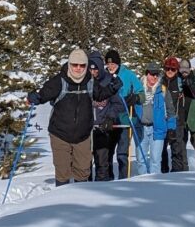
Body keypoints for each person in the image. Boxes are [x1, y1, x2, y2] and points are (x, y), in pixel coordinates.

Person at [28, 47, 119, 186]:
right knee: (63, 172)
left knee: (83, 172)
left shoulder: (89, 81)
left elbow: (100, 94)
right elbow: (43, 94)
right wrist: (35, 97)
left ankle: (79, 199)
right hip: (60, 134)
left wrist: (113, 88)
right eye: (75, 65)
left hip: (82, 135)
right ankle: (62, 201)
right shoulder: (60, 80)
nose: (78, 68)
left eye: (82, 65)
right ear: (69, 64)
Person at [104, 48, 144, 178]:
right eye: (108, 64)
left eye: (113, 64)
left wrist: (136, 98)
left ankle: (123, 178)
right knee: (107, 152)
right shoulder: (103, 76)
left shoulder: (129, 75)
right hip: (108, 119)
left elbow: (141, 93)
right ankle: (108, 178)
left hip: (125, 118)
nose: (110, 67)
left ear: (118, 64)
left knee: (122, 153)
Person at [88, 51, 123, 181]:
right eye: (90, 69)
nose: (93, 72)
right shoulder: (84, 82)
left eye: (96, 69)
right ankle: (83, 191)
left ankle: (102, 188)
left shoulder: (108, 81)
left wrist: (110, 117)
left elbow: (118, 104)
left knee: (102, 163)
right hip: (86, 129)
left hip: (102, 128)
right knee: (84, 164)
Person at [139, 62, 174, 174]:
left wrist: (171, 127)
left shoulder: (162, 90)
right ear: (146, 74)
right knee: (141, 159)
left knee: (155, 160)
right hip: (141, 129)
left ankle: (154, 185)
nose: (154, 77)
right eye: (151, 74)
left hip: (158, 129)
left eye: (156, 74)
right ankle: (141, 185)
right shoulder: (138, 88)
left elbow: (170, 110)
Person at [161, 55, 194, 172]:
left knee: (177, 149)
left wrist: (190, 84)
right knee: (162, 149)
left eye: (173, 69)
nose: (170, 71)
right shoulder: (160, 81)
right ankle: (163, 173)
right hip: (162, 120)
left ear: (177, 70)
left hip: (177, 121)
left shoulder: (181, 82)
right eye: (167, 68)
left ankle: (177, 173)